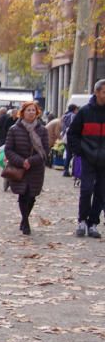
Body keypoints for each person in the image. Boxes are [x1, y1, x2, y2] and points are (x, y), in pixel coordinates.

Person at [4, 101, 51, 235]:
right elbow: (8, 149)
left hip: (35, 168)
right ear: (22, 112)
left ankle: (24, 219)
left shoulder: (42, 130)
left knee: (31, 196)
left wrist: (31, 161)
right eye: (28, 110)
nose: (31, 113)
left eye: (33, 110)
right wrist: (21, 161)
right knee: (23, 194)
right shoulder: (14, 129)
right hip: (19, 168)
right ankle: (25, 221)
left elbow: (45, 151)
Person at [67, 79, 105, 238]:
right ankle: (82, 221)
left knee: (101, 192)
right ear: (96, 92)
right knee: (86, 189)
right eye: (104, 92)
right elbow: (72, 133)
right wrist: (79, 151)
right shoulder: (84, 112)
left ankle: (93, 223)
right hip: (88, 158)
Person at [62, 104, 80, 176]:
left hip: (65, 137)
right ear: (74, 109)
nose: (77, 111)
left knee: (68, 154)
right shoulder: (73, 116)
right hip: (71, 138)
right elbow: (74, 127)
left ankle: (66, 170)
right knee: (75, 154)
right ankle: (73, 171)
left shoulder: (65, 116)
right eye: (77, 109)